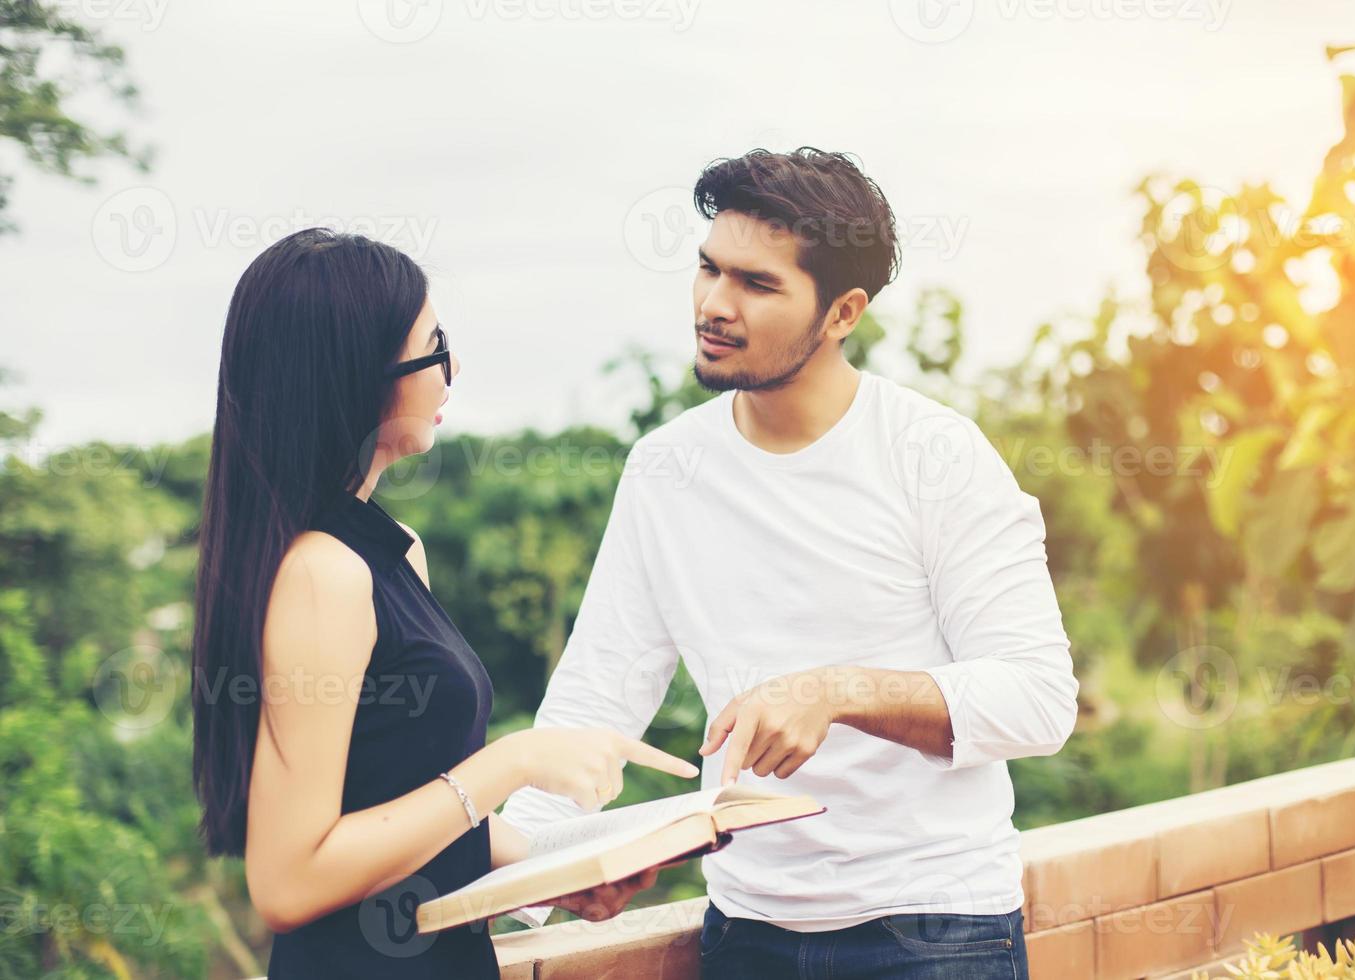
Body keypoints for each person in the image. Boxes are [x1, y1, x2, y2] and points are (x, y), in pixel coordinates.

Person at [501, 148, 1079, 978]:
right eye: (708, 270)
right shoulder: (666, 469)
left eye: (756, 285)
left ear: (842, 312)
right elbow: (596, 697)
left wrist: (835, 691)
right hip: (746, 932)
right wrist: (521, 878)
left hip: (935, 931)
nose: (713, 304)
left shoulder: (934, 454)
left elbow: (1036, 699)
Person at [189, 228, 699, 979]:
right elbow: (288, 882)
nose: (452, 368)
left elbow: (406, 803)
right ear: (358, 378)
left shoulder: (392, 551)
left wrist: (561, 868)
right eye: (432, 347)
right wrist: (515, 760)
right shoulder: (321, 574)